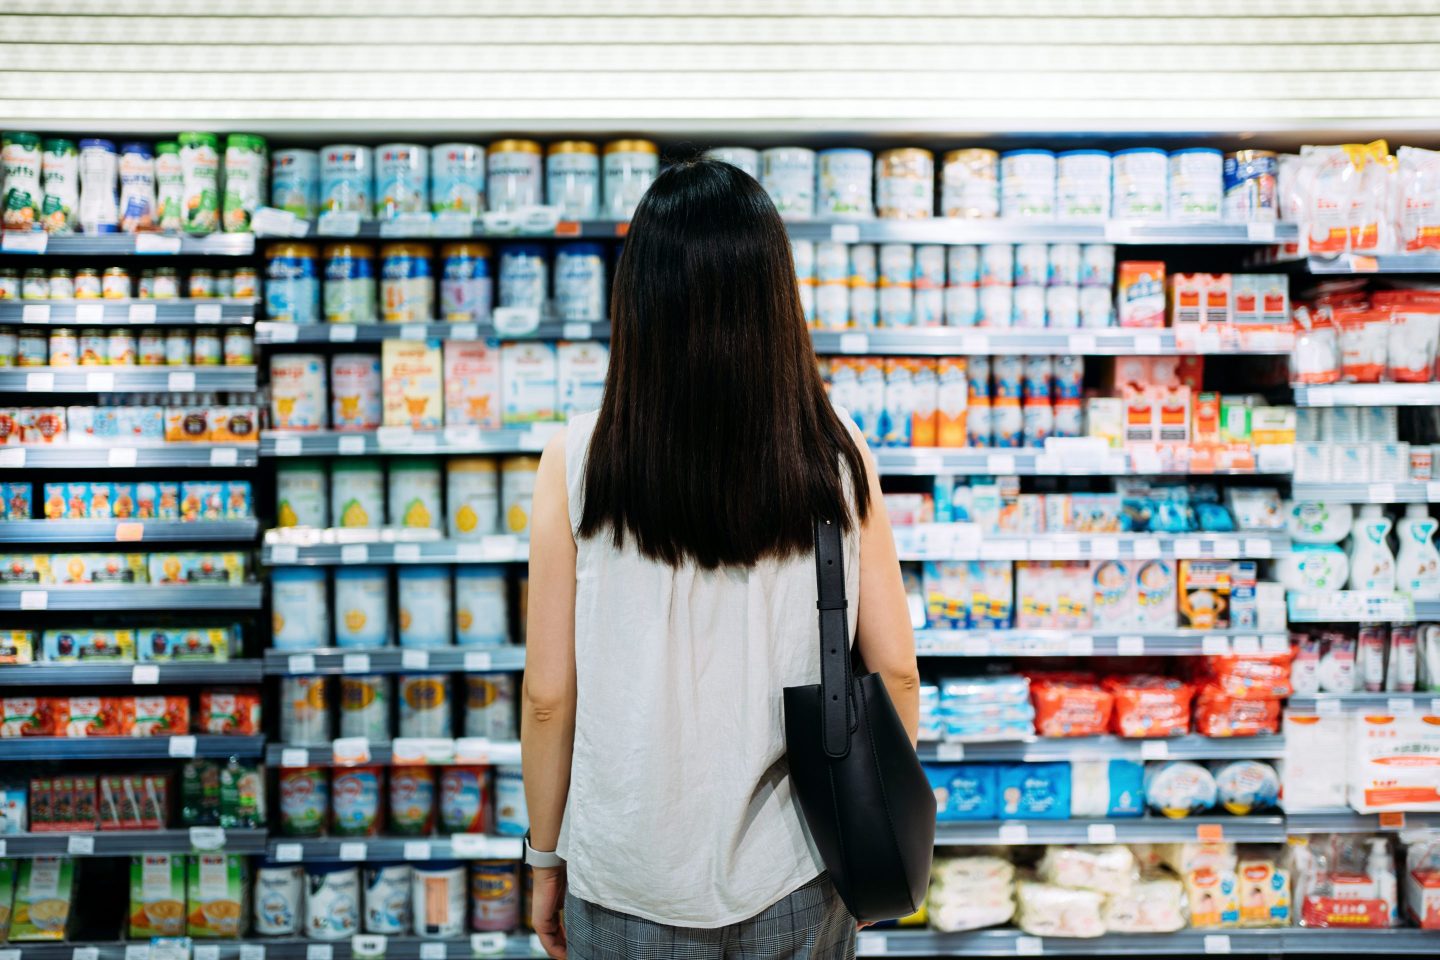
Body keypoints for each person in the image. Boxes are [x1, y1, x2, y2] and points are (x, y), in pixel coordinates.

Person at [520, 158, 920, 960]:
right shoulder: (836, 460)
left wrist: (544, 861)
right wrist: (871, 832)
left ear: (637, 301)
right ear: (776, 298)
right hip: (797, 869)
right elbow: (897, 672)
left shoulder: (574, 462)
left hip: (626, 876)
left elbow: (546, 698)